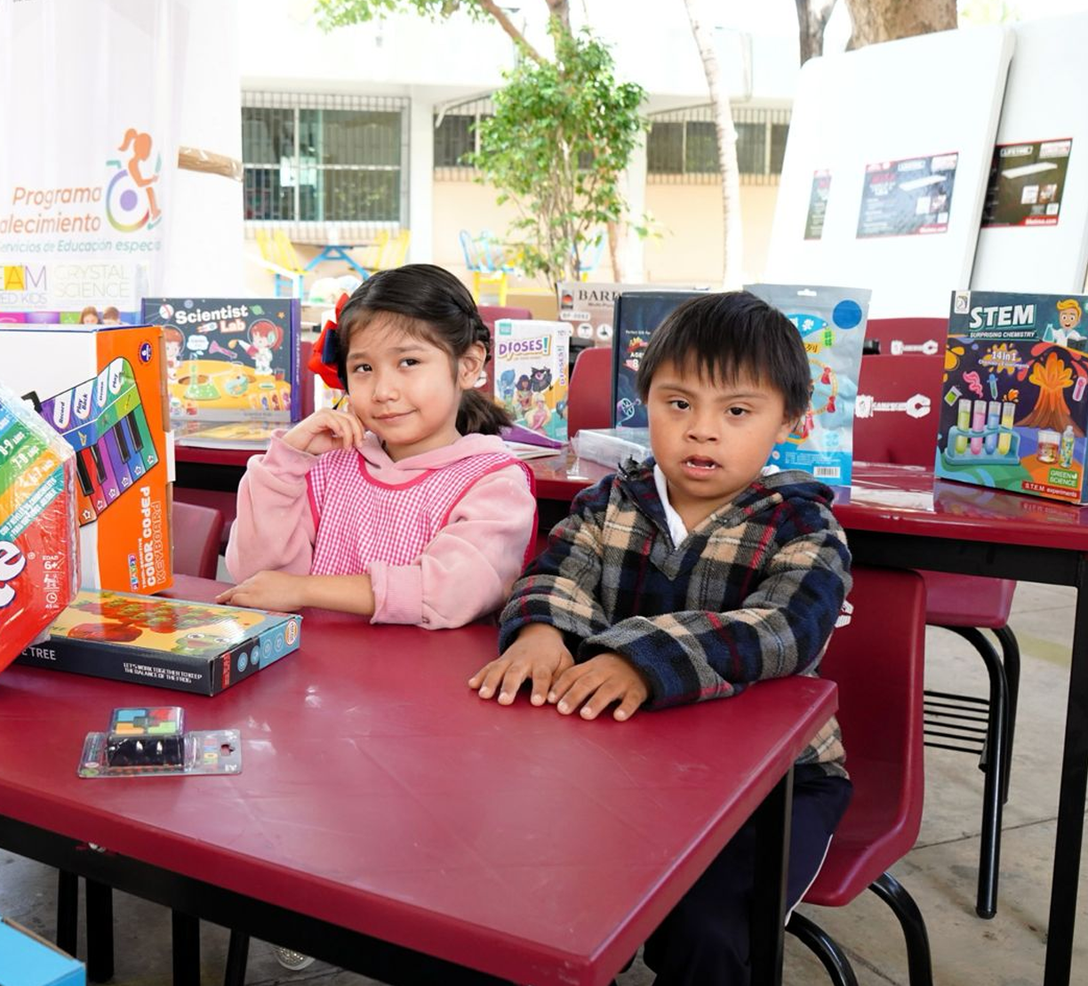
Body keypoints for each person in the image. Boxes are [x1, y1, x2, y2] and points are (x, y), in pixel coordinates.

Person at [470, 291, 853, 986]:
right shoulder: (613, 502)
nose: (702, 431)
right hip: (625, 764)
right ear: (643, 402)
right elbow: (557, 571)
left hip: (778, 782)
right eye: (678, 404)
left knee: (704, 932)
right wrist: (539, 628)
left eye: (737, 411)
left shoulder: (803, 527)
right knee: (535, 892)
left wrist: (640, 658)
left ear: (789, 421)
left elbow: (786, 629)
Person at [219, 263, 537, 627]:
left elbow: (450, 593)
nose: (384, 392)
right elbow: (257, 576)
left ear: (467, 365)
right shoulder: (330, 466)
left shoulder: (494, 481)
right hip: (318, 676)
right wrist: (286, 462)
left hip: (424, 679)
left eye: (409, 361)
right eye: (364, 369)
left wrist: (304, 590)